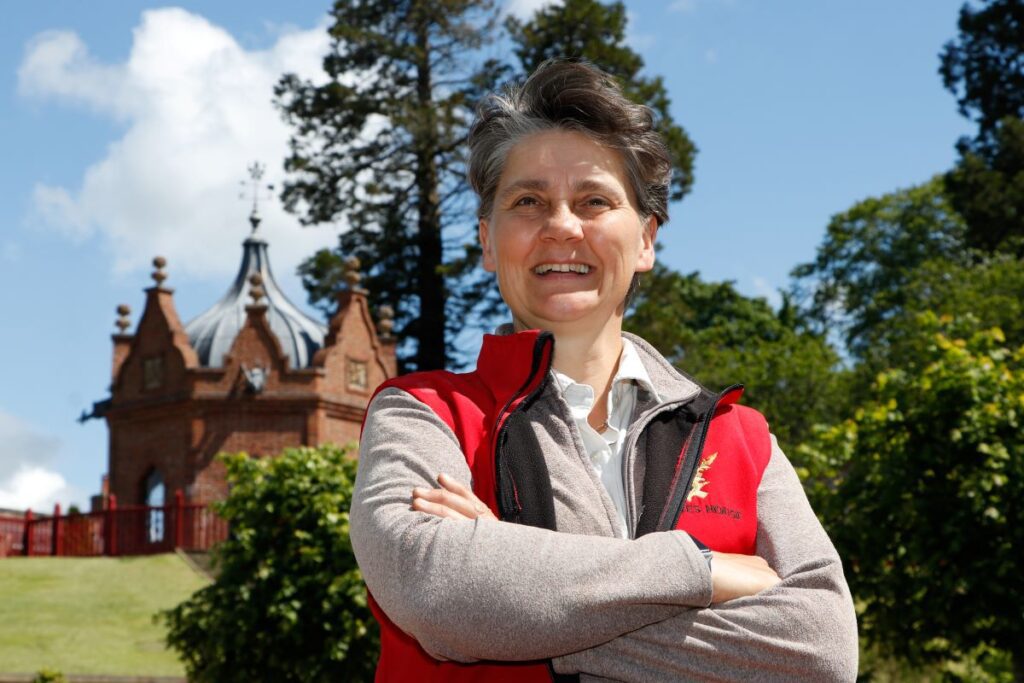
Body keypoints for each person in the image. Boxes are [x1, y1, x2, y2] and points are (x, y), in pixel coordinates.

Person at [350, 60, 858, 682]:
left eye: (594, 200)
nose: (561, 225)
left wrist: (516, 590)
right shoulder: (421, 412)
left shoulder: (740, 437)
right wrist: (701, 571)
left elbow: (821, 652)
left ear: (645, 239)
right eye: (528, 200)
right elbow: (438, 593)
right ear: (488, 240)